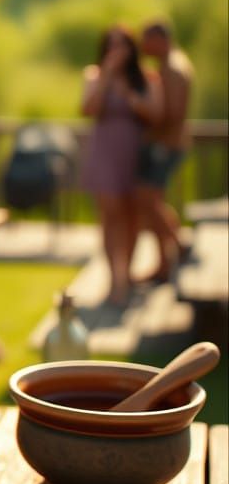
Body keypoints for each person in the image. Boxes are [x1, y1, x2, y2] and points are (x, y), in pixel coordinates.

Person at [81, 24, 163, 307]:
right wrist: (107, 76)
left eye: (123, 45)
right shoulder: (94, 75)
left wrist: (131, 96)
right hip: (105, 153)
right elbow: (88, 109)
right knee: (110, 215)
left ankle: (126, 274)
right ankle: (114, 278)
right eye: (112, 45)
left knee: (132, 218)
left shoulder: (146, 79)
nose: (117, 51)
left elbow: (155, 114)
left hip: (134, 153)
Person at [137, 19, 193, 282]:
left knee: (148, 200)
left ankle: (178, 246)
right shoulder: (170, 64)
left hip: (166, 146)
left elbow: (173, 114)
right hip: (167, 144)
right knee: (152, 202)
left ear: (160, 39)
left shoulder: (173, 67)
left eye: (146, 39)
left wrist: (144, 116)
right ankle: (167, 256)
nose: (143, 46)